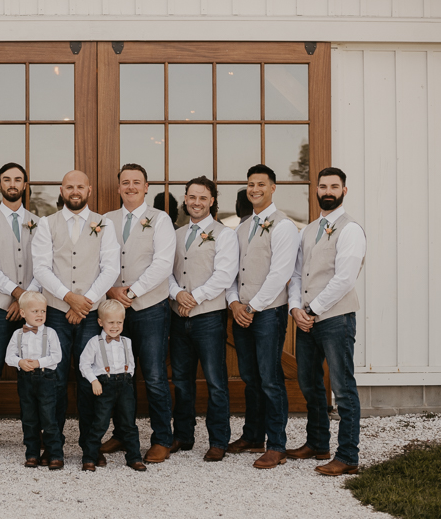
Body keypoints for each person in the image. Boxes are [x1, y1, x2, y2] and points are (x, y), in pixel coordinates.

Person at [31, 170, 120, 466]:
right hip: (56, 311)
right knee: (53, 379)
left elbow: (111, 268)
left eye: (80, 186)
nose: (75, 191)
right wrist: (69, 298)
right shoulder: (46, 223)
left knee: (89, 377)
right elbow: (41, 268)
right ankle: (52, 446)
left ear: (89, 190)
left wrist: (86, 302)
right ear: (61, 190)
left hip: (92, 311)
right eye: (69, 186)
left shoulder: (104, 224)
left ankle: (89, 446)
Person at [287, 167, 366, 476]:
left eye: (335, 186)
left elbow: (345, 278)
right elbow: (295, 274)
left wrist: (313, 310)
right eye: (323, 186)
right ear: (316, 190)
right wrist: (296, 309)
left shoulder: (350, 229)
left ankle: (348, 456)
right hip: (306, 319)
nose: (328, 191)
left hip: (335, 318)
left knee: (343, 388)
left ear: (344, 191)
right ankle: (318, 442)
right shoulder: (307, 230)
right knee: (308, 382)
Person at [100, 163, 176, 464]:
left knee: (155, 375)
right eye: (125, 182)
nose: (130, 187)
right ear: (118, 187)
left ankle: (162, 439)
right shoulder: (106, 220)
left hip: (149, 308)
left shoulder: (160, 219)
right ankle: (123, 433)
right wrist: (111, 291)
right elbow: (98, 260)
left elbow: (163, 264)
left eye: (137, 182)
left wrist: (130, 292)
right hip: (113, 310)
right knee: (119, 374)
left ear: (146, 187)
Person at [226, 164, 300, 469]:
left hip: (267, 313)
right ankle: (253, 435)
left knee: (270, 379)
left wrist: (252, 307)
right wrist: (233, 304)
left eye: (260, 184)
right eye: (250, 184)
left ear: (272, 187)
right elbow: (230, 272)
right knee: (250, 378)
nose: (254, 189)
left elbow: (280, 274)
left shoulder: (283, 226)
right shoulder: (242, 227)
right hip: (241, 312)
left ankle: (277, 444)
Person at [168, 176, 239, 462]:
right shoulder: (175, 234)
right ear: (185, 199)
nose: (196, 202)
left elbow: (224, 275)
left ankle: (218, 440)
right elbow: (166, 271)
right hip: (177, 315)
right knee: (182, 380)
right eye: (192, 197)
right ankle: (183, 435)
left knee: (215, 381)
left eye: (203, 198)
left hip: (208, 317)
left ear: (211, 201)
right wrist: (177, 294)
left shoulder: (224, 234)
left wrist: (193, 297)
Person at [0, 162, 41, 455]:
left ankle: (34, 432)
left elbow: (43, 265)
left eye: (18, 179)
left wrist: (26, 298)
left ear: (25, 185)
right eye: (6, 179)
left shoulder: (39, 222)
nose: (12, 184)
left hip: (32, 309)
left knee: (32, 369)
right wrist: (15, 293)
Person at [79, 299, 146, 472]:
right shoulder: (94, 342)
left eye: (119, 322)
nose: (115, 326)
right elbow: (84, 364)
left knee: (129, 424)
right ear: (101, 322)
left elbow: (131, 364)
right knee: (99, 423)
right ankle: (89, 457)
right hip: (104, 385)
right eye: (111, 322)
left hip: (124, 385)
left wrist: (128, 379)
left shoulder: (127, 342)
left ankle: (134, 458)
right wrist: (94, 380)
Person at [4, 291, 64, 469]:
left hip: (46, 378)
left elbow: (57, 356)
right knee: (29, 418)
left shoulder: (51, 333)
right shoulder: (18, 335)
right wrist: (20, 362)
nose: (40, 315)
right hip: (25, 380)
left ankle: (55, 454)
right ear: (22, 313)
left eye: (43, 311)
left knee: (48, 418)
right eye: (35, 311)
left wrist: (39, 362)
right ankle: (31, 454)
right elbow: (9, 357)